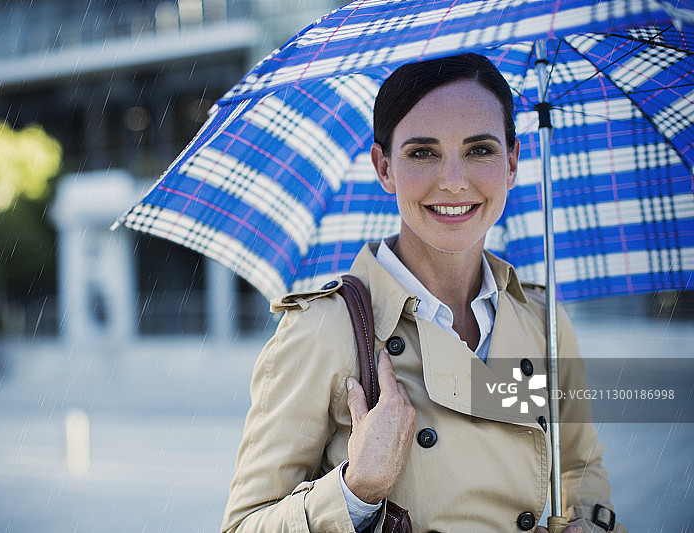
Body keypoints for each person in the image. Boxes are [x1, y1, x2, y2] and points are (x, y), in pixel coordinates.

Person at [221, 53, 626, 533]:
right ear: (384, 167)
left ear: (512, 160)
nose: (453, 181)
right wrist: (357, 490)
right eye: (422, 152)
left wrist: (588, 524)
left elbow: (581, 472)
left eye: (479, 150)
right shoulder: (324, 329)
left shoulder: (541, 321)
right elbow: (245, 525)